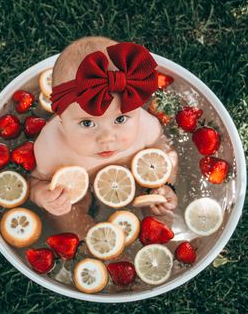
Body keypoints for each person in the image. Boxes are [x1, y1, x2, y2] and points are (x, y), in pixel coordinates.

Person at [29, 36, 178, 238]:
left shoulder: (145, 125)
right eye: (88, 123)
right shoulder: (52, 146)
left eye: (121, 119)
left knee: (158, 205)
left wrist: (166, 185)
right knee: (64, 211)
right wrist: (42, 195)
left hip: (134, 175)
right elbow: (35, 180)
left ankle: (161, 240)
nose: (107, 138)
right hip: (78, 187)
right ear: (61, 118)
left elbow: (166, 154)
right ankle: (93, 247)